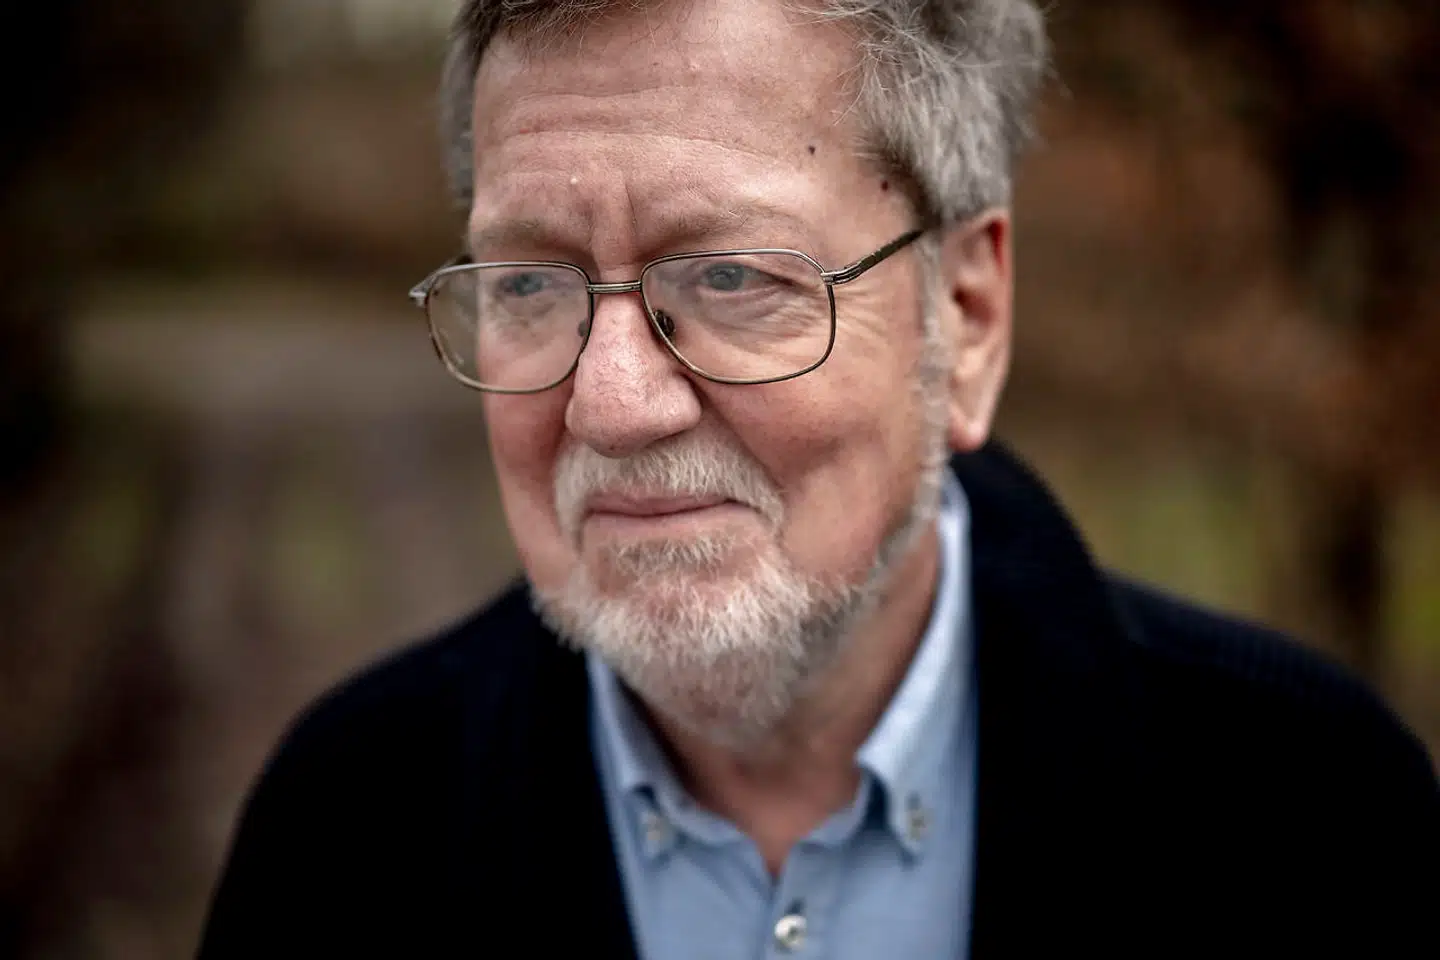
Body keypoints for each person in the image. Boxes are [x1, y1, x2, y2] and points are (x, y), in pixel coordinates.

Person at [197, 0, 1437, 956]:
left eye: (732, 276)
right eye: (529, 282)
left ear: (966, 318)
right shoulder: (346, 835)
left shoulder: (1308, 815)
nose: (612, 404)